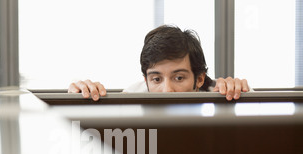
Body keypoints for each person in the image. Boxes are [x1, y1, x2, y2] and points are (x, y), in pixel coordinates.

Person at [68, 24, 250, 101]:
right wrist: (79, 97)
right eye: (156, 79)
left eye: (179, 78)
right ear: (146, 80)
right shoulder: (131, 96)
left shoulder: (219, 92)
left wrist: (241, 93)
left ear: (200, 79)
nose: (167, 90)